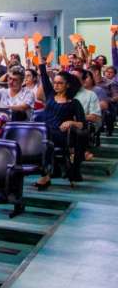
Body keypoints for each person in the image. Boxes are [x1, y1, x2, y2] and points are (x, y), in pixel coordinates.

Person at [34, 50, 86, 188]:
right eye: (55, 83)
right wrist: (38, 51)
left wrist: (71, 122)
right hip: (45, 131)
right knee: (35, 135)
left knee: (45, 139)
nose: (56, 85)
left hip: (60, 135)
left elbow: (83, 124)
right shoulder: (50, 95)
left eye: (60, 83)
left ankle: (45, 175)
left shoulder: (73, 103)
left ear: (67, 85)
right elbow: (43, 74)